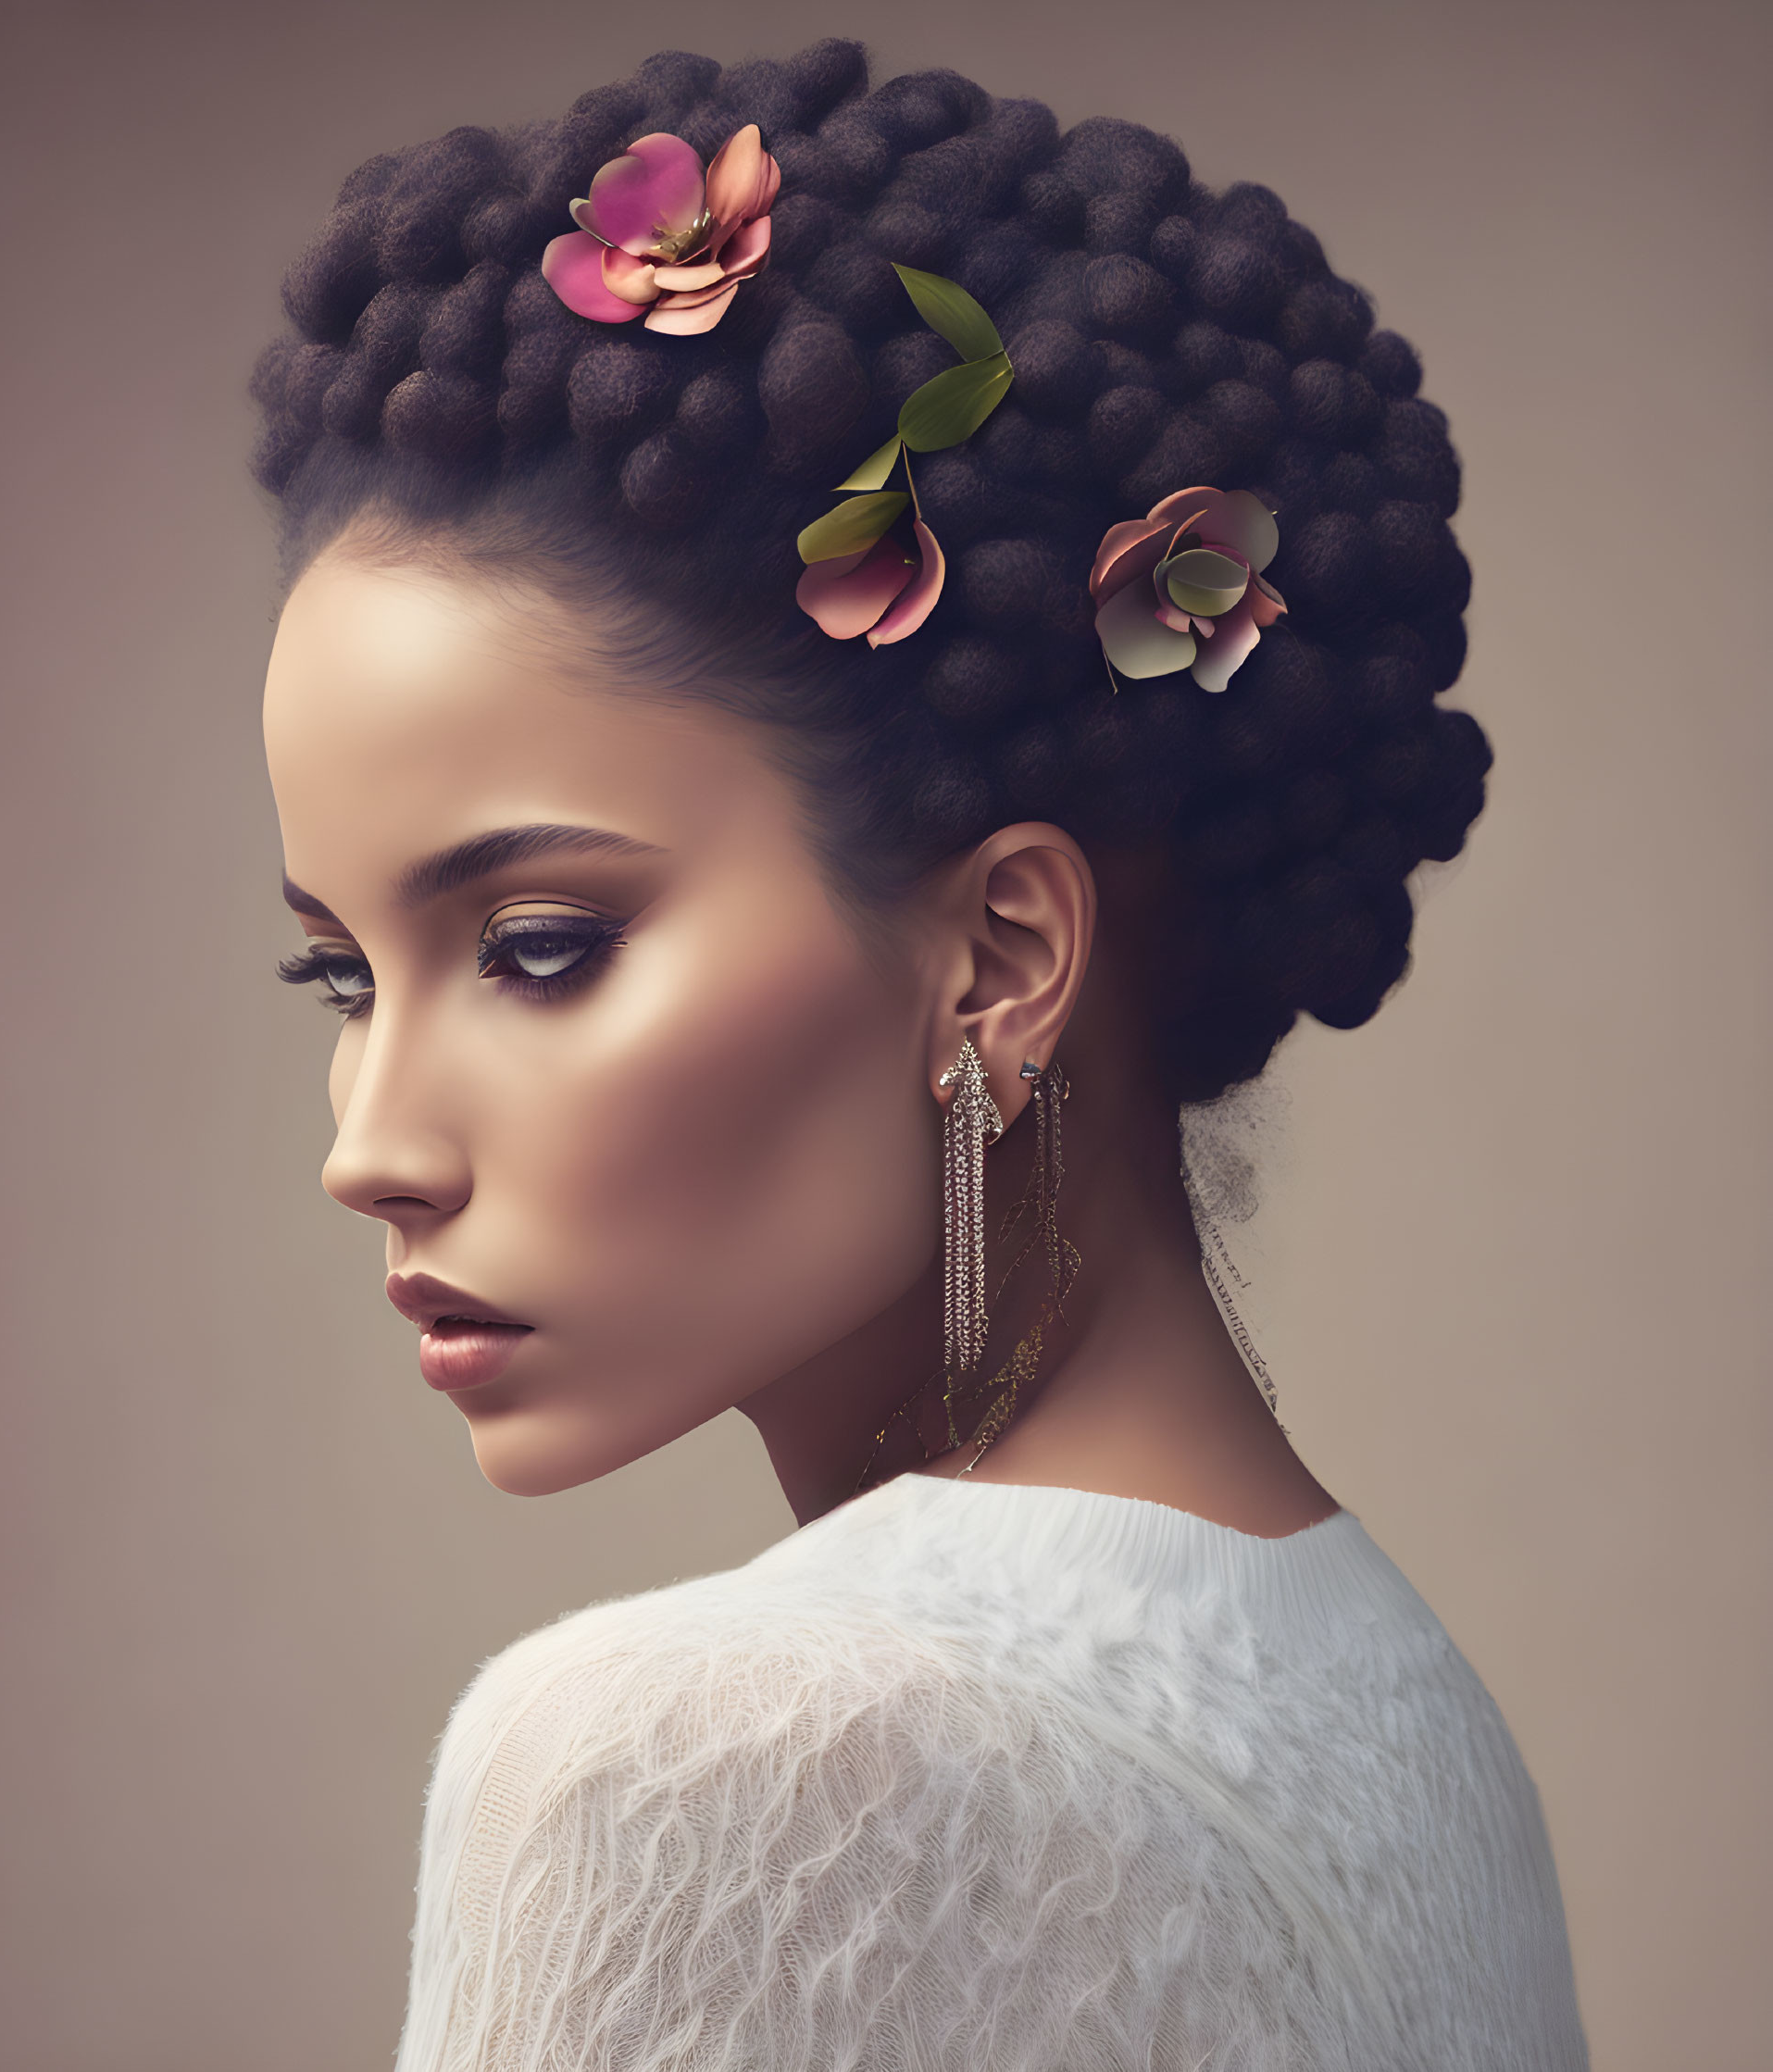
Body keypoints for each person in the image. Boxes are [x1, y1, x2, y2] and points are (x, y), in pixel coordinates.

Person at [253, 40, 1588, 2068]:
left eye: (536, 948)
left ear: (1001, 953)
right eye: (343, 979)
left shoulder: (689, 1761)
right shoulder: (1405, 1710)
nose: (370, 1144)